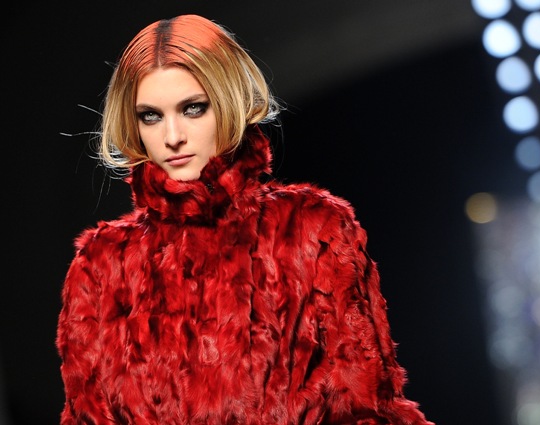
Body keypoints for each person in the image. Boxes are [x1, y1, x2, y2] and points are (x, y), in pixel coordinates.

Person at [56, 14, 434, 425]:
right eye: (151, 116)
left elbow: (367, 407)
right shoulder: (102, 266)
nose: (172, 136)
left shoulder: (313, 230)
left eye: (193, 108)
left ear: (229, 100)